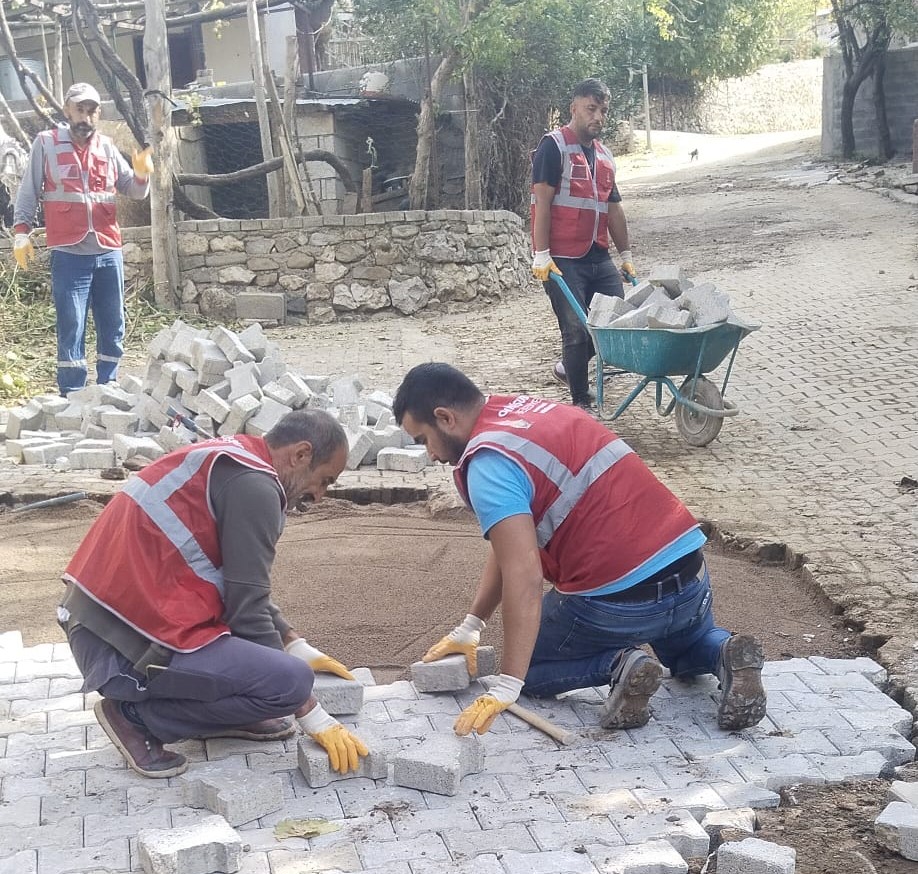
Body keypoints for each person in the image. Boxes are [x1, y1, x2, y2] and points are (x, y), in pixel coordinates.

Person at [393, 363, 766, 737]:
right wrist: (471, 625)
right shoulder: (529, 412)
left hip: (620, 602)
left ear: (444, 418)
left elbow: (523, 573)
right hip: (689, 574)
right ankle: (724, 653)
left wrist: (509, 682)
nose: (430, 455)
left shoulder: (487, 465)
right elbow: (512, 545)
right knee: (685, 649)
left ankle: (621, 665)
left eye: (423, 439)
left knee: (529, 664)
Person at [57, 409, 368, 779]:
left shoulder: (236, 457)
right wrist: (309, 709)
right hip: (121, 651)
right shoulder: (257, 488)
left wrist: (293, 641)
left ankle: (221, 714)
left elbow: (238, 583)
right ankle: (135, 718)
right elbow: (246, 610)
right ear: (301, 455)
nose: (319, 495)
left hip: (104, 628)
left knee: (273, 674)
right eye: (325, 480)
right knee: (290, 682)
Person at [12, 82, 153, 396]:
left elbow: (134, 191)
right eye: (80, 109)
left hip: (107, 249)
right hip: (69, 251)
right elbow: (28, 192)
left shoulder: (106, 145)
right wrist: (21, 233)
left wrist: (142, 173)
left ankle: (108, 386)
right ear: (67, 110)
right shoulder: (45, 144)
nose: (85, 117)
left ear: (97, 114)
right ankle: (73, 394)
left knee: (113, 321)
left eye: (91, 111)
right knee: (72, 323)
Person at [531, 78, 636, 411]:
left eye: (603, 111)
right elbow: (542, 203)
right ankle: (580, 400)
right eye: (591, 109)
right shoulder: (554, 147)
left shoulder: (605, 156)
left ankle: (568, 366)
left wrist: (627, 255)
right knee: (576, 329)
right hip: (562, 259)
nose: (598, 117)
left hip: (597, 254)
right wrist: (541, 254)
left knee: (615, 321)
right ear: (574, 107)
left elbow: (613, 208)